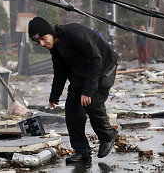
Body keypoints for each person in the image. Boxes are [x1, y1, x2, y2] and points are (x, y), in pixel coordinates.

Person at [28, 17, 118, 164]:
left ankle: (107, 136)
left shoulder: (75, 33)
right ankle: (81, 150)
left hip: (103, 66)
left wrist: (88, 91)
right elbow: (60, 71)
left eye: (43, 39)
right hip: (81, 72)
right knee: (72, 108)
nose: (42, 44)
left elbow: (96, 60)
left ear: (50, 32)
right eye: (38, 42)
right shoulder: (55, 48)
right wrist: (54, 95)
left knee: (92, 102)